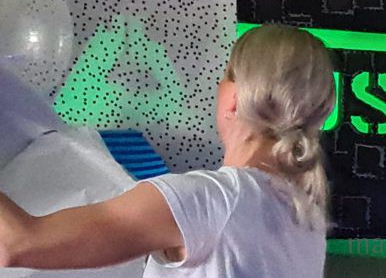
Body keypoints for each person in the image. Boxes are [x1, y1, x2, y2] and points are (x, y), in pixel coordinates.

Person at [0, 24, 336, 277]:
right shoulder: (305, 222)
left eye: (225, 75)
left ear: (234, 99)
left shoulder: (209, 200)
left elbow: (16, 243)